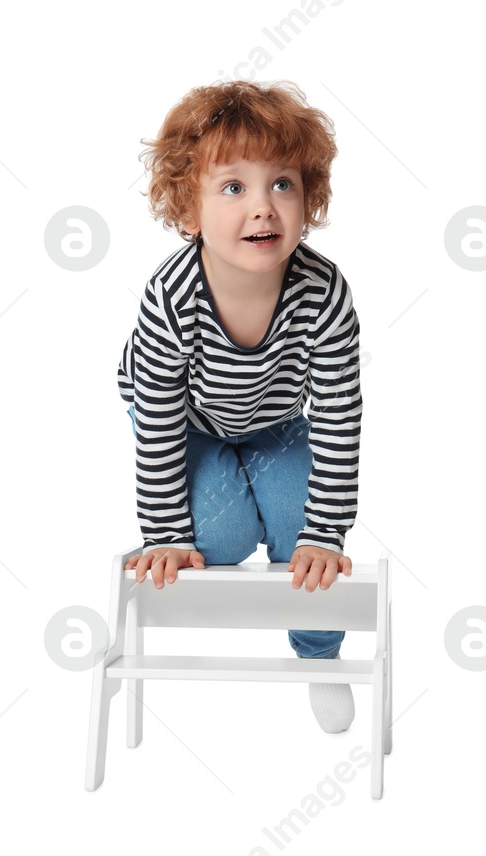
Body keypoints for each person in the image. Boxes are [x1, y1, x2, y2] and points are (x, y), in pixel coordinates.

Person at [117, 81, 364, 732]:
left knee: (304, 544)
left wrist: (323, 531)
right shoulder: (172, 296)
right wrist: (164, 531)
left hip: (275, 421)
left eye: (281, 184)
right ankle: (220, 498)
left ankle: (321, 656)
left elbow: (340, 414)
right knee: (215, 542)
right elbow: (158, 425)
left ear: (307, 199)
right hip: (185, 421)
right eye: (234, 188)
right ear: (188, 210)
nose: (263, 207)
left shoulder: (324, 291)